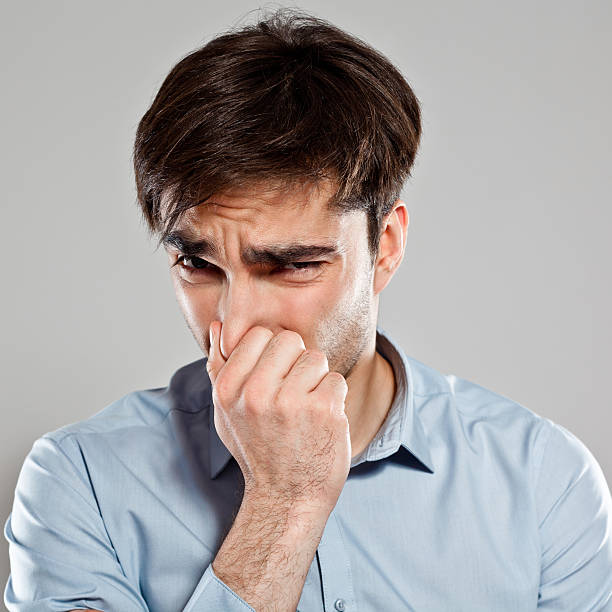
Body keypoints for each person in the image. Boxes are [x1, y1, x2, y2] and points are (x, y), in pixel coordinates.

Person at [4, 7, 612, 612]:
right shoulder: (79, 479)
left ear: (385, 249)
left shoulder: (542, 481)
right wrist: (283, 502)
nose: (236, 325)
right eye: (198, 264)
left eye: (292, 265)